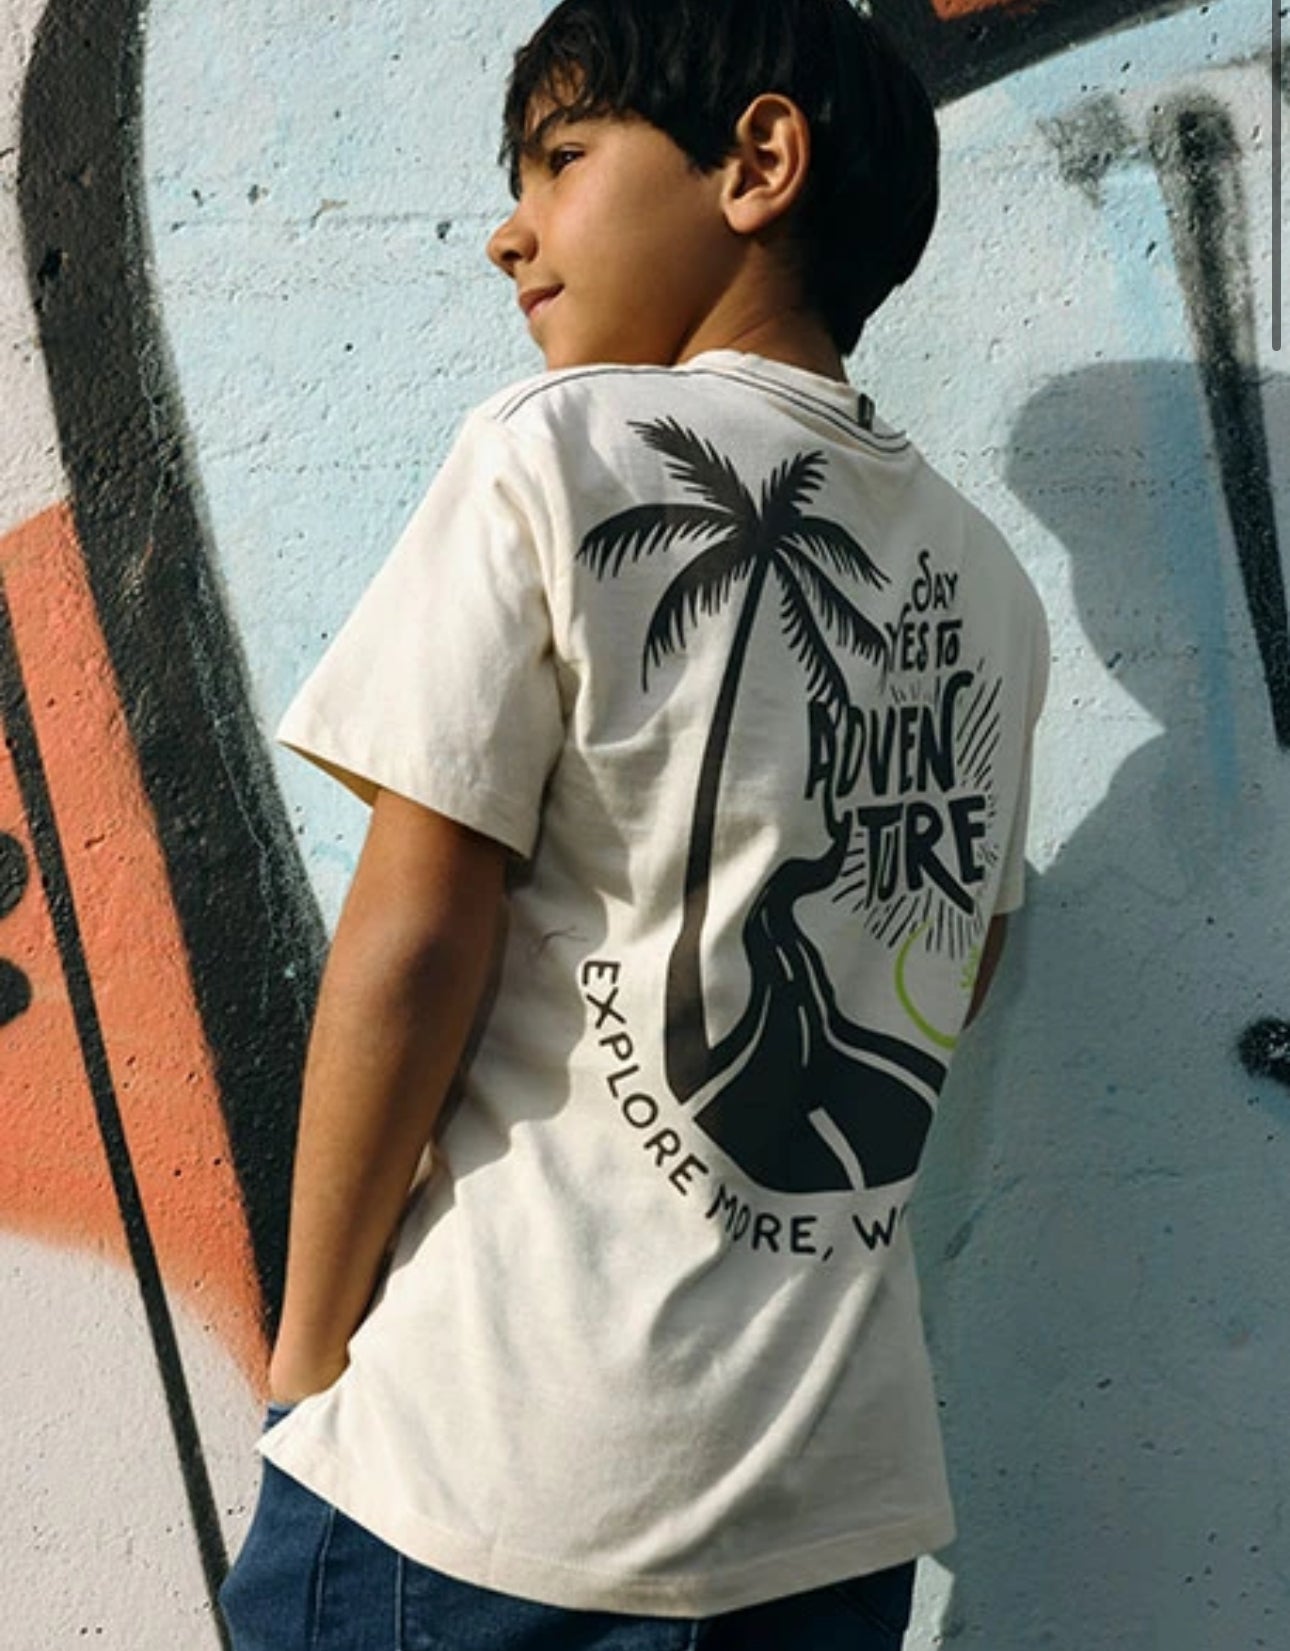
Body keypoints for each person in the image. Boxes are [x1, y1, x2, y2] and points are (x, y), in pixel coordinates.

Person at [219, 2, 1048, 1647]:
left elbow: (417, 933)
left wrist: (308, 1361)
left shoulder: (556, 452)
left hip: (491, 1479)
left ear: (757, 162)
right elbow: (954, 970)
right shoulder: (985, 583)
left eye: (561, 159)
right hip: (823, 1506)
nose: (507, 230)